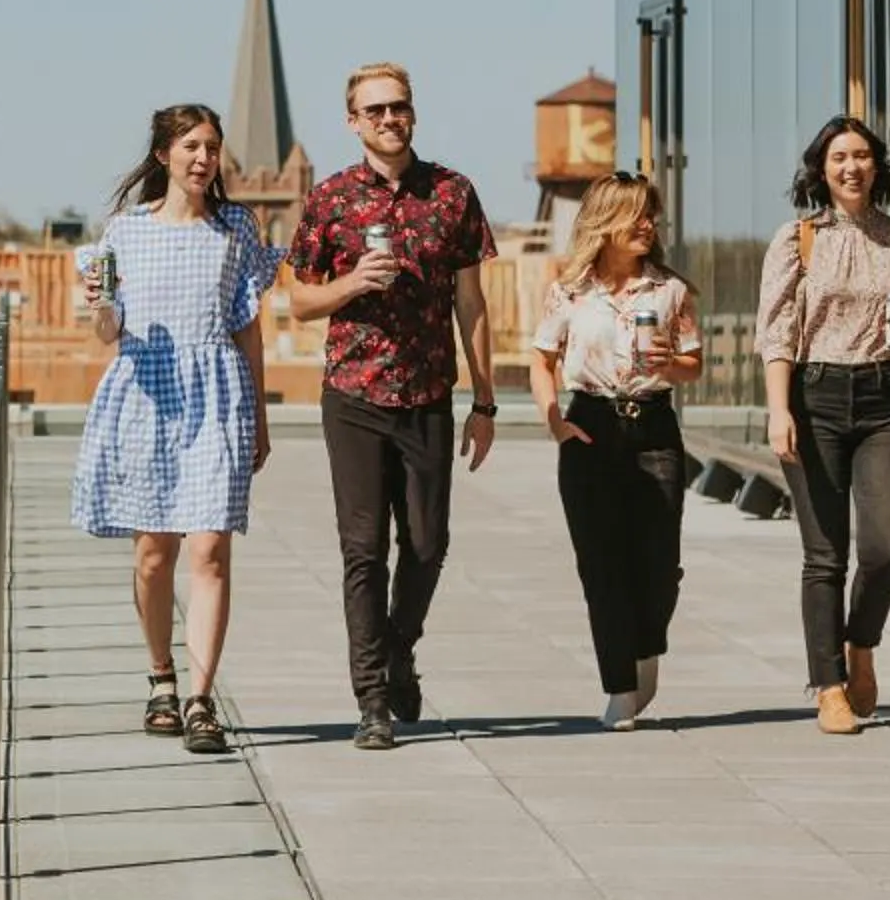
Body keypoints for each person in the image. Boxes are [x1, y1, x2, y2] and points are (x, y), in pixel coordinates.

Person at [285, 62, 498, 751]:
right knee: (363, 551)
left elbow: (472, 303)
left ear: (413, 113)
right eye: (373, 111)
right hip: (353, 396)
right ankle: (372, 698)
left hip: (429, 394)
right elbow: (299, 301)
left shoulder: (452, 193)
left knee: (428, 546)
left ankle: (400, 645)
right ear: (353, 122)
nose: (388, 120)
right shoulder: (330, 199)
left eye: (397, 108)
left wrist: (486, 400)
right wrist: (349, 284)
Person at [72, 102, 280, 756]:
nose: (203, 158)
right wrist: (100, 305)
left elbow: (248, 325)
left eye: (212, 147)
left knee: (210, 549)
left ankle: (200, 697)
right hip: (145, 393)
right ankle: (160, 675)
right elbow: (107, 331)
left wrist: (261, 418)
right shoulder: (124, 233)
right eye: (192, 145)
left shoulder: (236, 228)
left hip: (218, 393)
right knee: (153, 554)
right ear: (164, 154)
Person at [756, 116, 890, 734]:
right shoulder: (798, 240)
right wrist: (779, 408)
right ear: (821, 169)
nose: (851, 167)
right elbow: (776, 331)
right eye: (839, 157)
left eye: (862, 156)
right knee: (825, 555)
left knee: (887, 547)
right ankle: (829, 686)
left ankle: (860, 642)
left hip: (883, 398)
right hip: (814, 396)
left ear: (877, 166)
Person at [527, 172, 705, 730]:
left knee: (657, 563)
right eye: (636, 215)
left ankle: (647, 644)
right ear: (605, 223)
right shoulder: (570, 290)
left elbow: (693, 364)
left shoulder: (671, 290)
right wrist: (554, 422)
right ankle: (619, 686)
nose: (648, 225)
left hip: (654, 429)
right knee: (600, 563)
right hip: (591, 425)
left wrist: (669, 365)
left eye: (651, 214)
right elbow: (542, 358)